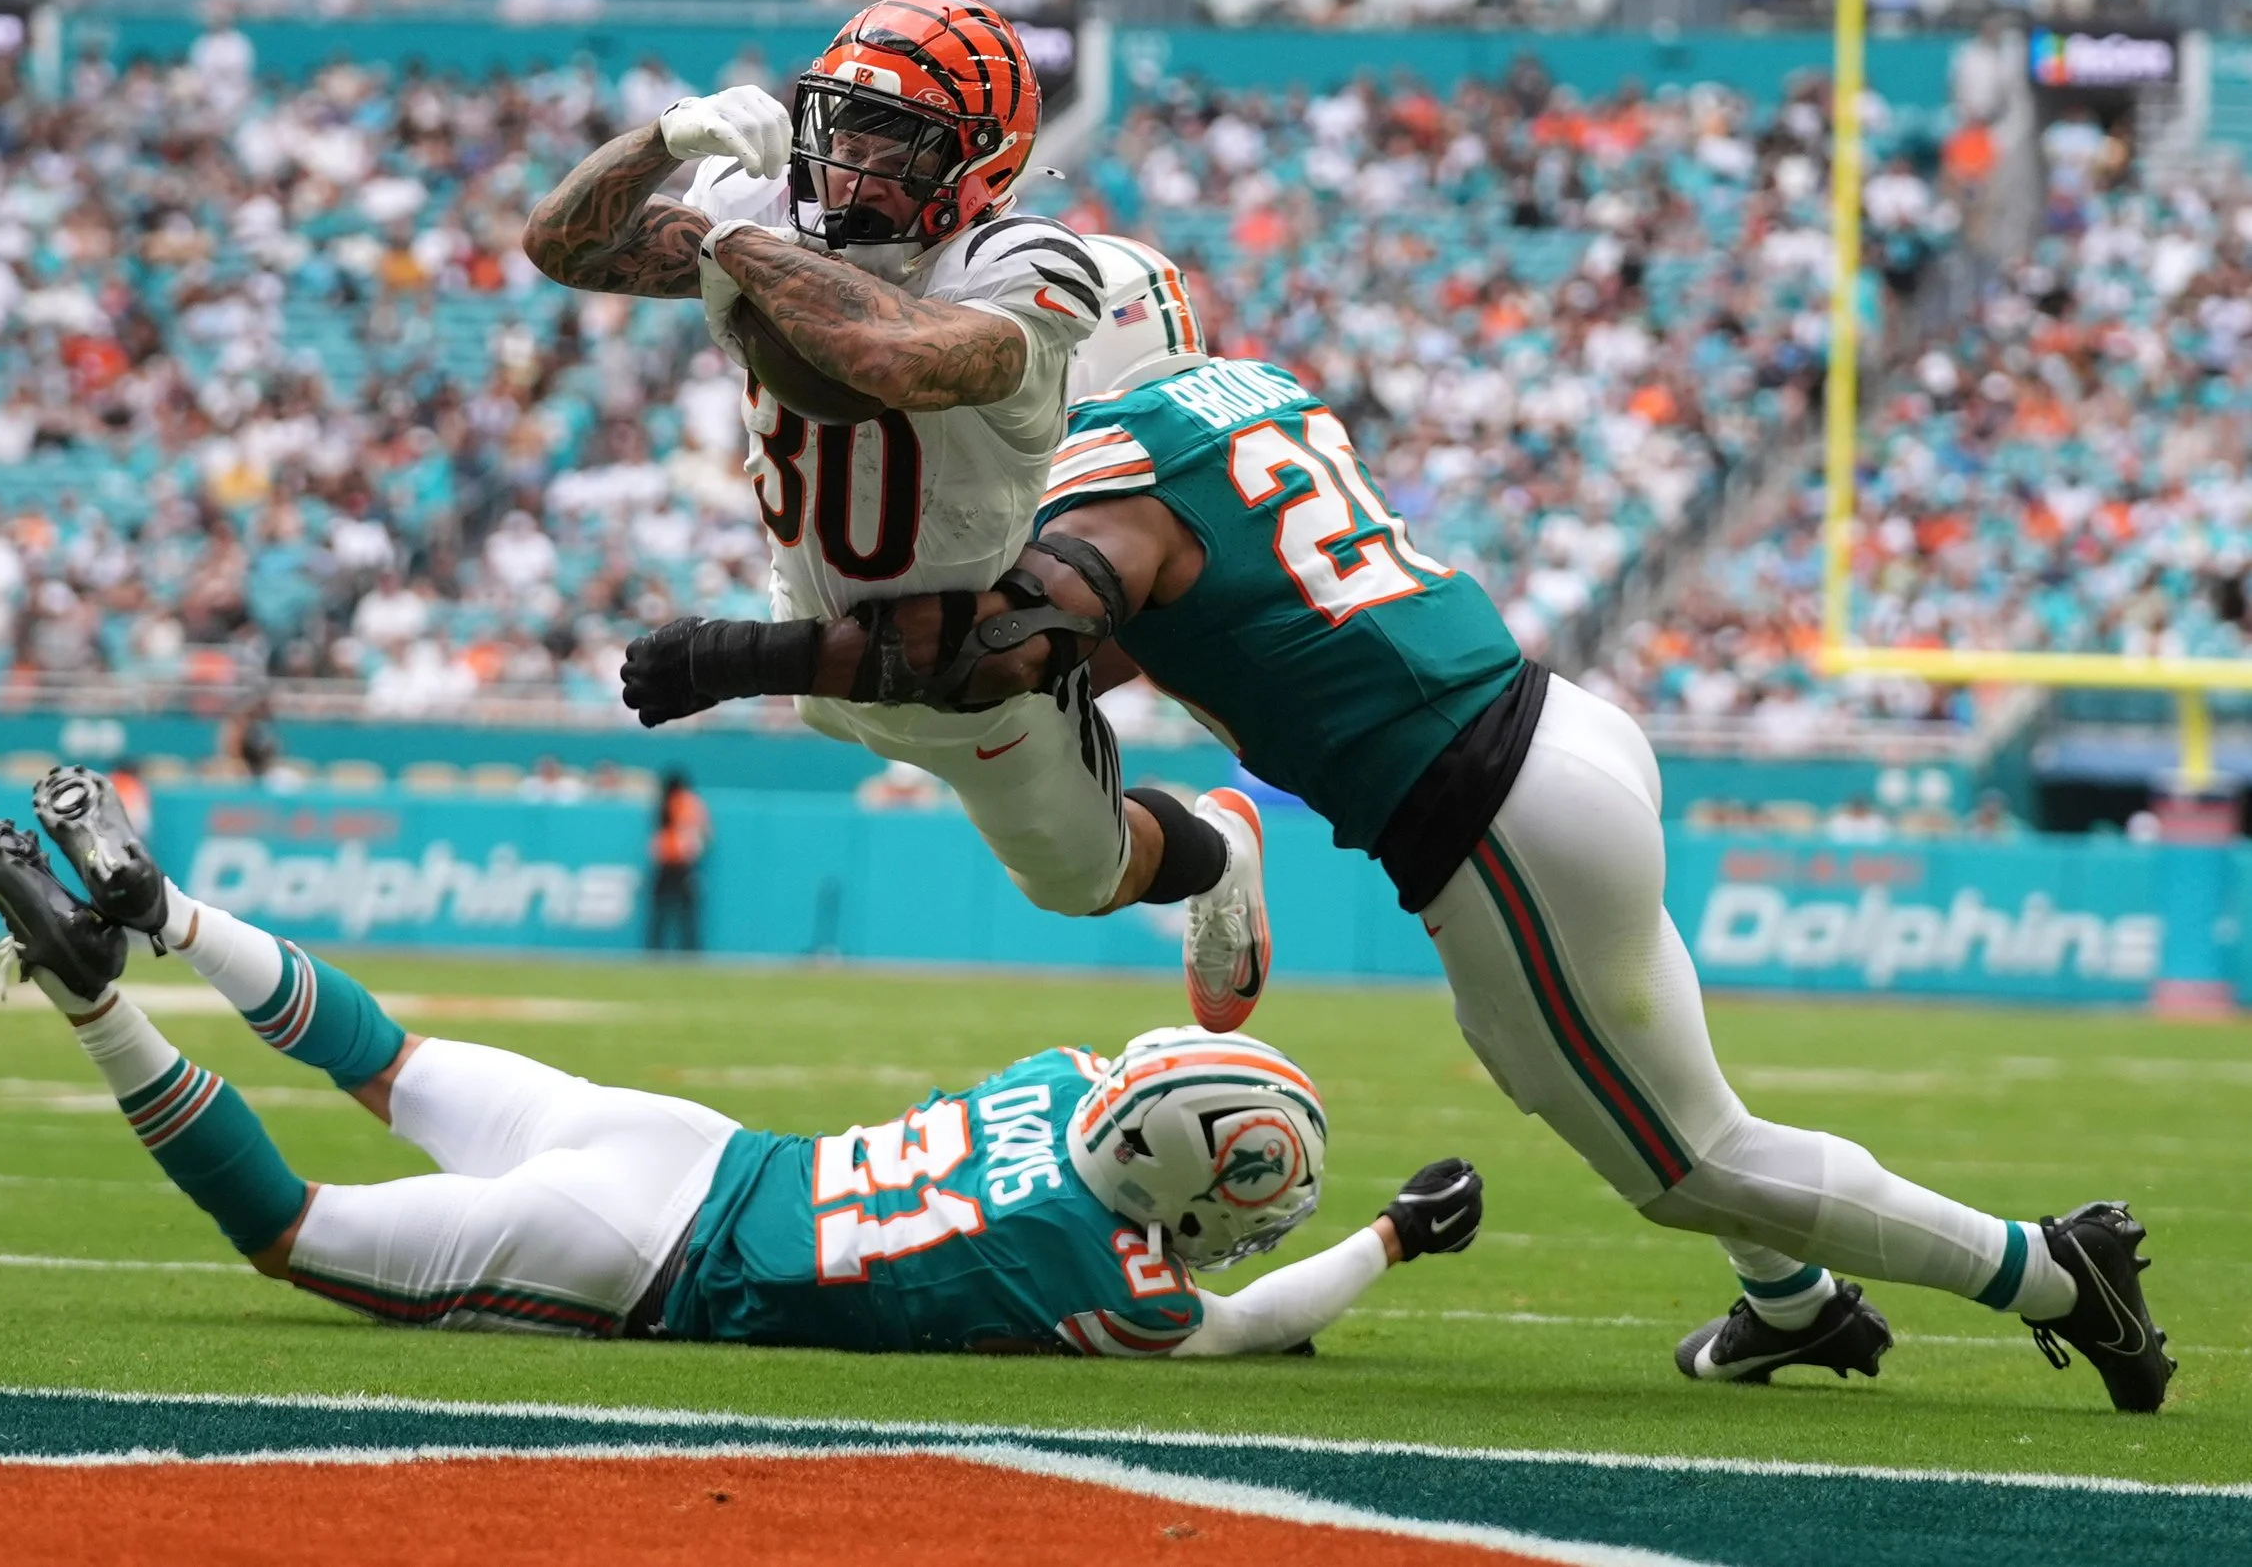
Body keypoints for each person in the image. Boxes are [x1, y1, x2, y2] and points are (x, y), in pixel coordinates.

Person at [622, 236, 2176, 1413]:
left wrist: (744, 653)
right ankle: (1790, 1294)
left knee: (1683, 1155)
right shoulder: (1250, 403)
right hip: (1563, 736)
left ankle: (2047, 1265)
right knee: (1595, 1068)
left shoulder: (1120, 467)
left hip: (1489, 811)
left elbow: (1011, 645)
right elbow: (1149, 617)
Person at [0, 768, 1485, 1356]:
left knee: (396, 1065)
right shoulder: (1096, 1265)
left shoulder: (1052, 1074)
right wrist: (1400, 1233)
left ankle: (169, 910)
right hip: (648, 1256)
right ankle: (102, 1000)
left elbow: (1164, 1062)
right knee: (299, 1230)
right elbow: (1253, 1316)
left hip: (688, 1142)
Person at [520, 0, 1271, 1033]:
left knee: (1075, 880)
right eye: (844, 127)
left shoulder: (1025, 266)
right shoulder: (773, 208)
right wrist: (663, 139)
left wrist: (723, 242)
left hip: (975, 660)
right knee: (861, 697)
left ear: (981, 168)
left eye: (899, 144)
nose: (853, 167)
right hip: (824, 633)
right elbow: (560, 245)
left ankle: (1217, 852)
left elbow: (889, 359)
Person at [647, 770, 710, 952]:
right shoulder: (682, 802)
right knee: (677, 910)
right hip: (674, 861)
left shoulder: (682, 802)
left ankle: (679, 949)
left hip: (678, 862)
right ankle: (685, 948)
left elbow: (692, 832)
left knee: (674, 910)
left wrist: (690, 852)